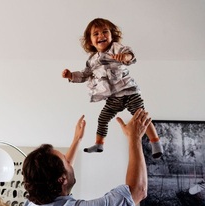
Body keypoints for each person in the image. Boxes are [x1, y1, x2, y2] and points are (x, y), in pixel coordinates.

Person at [21, 109, 150, 206]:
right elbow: (138, 190)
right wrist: (134, 138)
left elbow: (56, 177)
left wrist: (76, 140)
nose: (69, 162)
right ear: (61, 179)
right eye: (66, 161)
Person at [62, 18, 162, 159]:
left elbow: (130, 56)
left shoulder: (116, 48)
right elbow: (84, 75)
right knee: (103, 118)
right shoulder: (92, 60)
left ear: (111, 35)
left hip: (129, 92)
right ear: (90, 41)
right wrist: (71, 75)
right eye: (96, 34)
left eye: (105, 32)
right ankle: (99, 144)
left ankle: (156, 143)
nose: (101, 36)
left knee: (141, 116)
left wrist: (124, 57)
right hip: (112, 97)